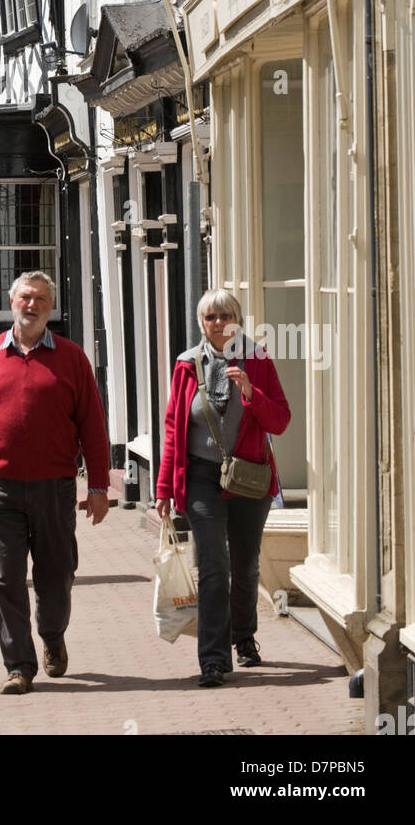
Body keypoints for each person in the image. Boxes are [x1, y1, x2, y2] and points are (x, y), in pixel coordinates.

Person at [0, 271, 110, 695]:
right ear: (11, 301)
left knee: (57, 576)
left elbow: (93, 427)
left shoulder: (72, 358)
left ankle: (52, 635)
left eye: (40, 299)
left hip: (54, 488)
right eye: (25, 297)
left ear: (50, 307)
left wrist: (98, 487)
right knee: (5, 579)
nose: (32, 304)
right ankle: (19, 666)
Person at [155, 288, 291, 689]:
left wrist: (251, 392)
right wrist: (163, 488)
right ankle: (213, 660)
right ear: (201, 322)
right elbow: (173, 428)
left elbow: (280, 421)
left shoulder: (259, 360)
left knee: (245, 564)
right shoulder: (186, 365)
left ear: (238, 319)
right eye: (211, 317)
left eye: (225, 315)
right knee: (213, 566)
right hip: (201, 478)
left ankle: (243, 636)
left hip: (249, 477)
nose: (218, 323)